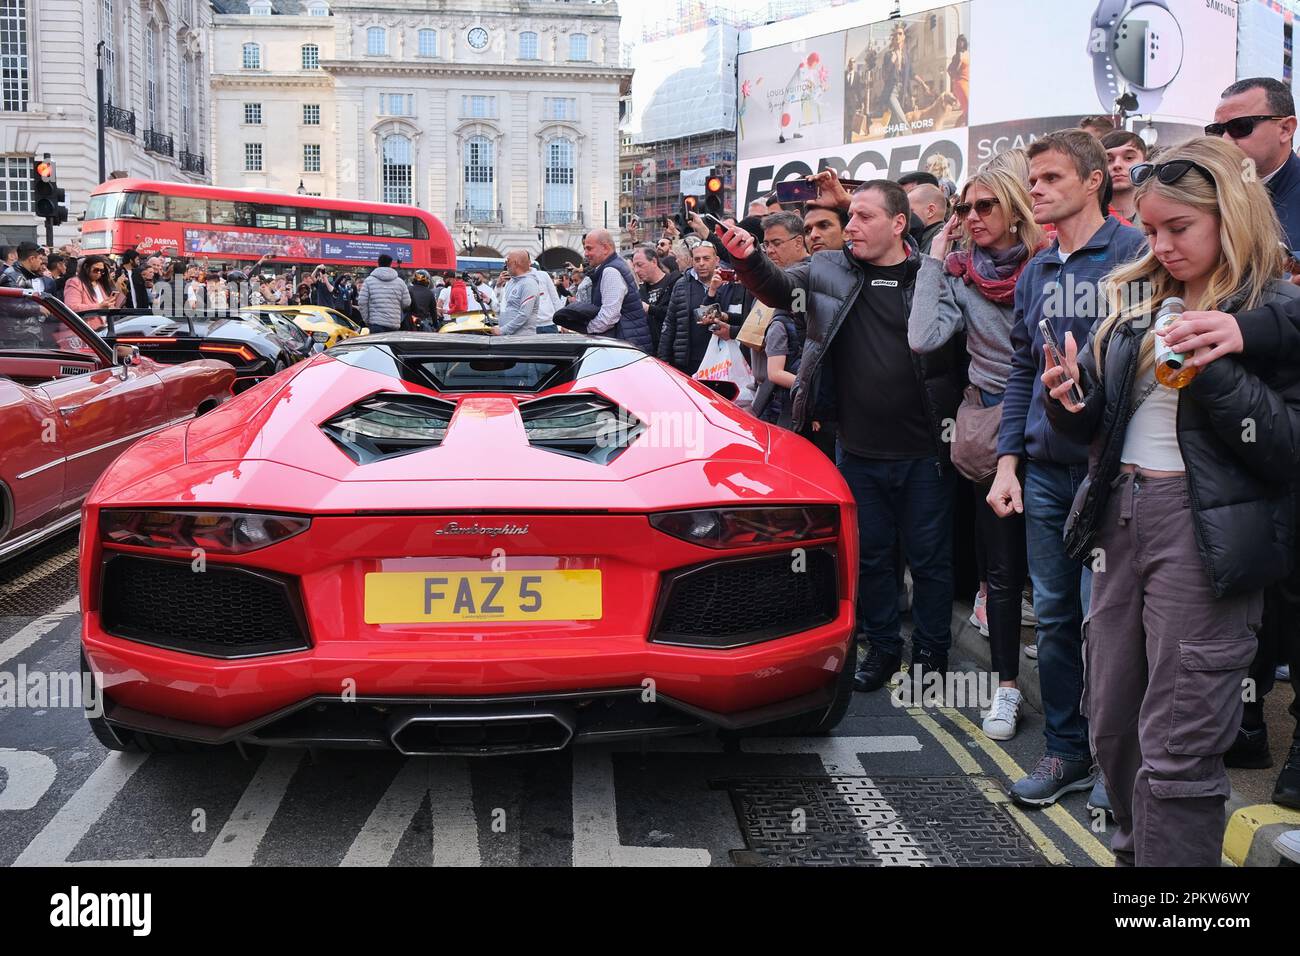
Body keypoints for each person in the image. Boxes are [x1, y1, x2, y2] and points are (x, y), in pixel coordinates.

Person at [1042, 136, 1300, 866]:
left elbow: (1283, 450)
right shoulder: (1138, 301)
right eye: (1150, 230)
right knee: (1113, 725)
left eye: (1177, 228)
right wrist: (1071, 406)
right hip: (1120, 518)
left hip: (1203, 531)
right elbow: (1104, 431)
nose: (1160, 244)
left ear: (1231, 214)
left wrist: (1212, 368)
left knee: (1180, 741)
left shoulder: (1274, 310)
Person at [719, 178, 965, 696]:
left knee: (930, 562)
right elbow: (780, 289)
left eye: (865, 217)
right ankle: (880, 647)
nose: (851, 226)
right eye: (849, 216)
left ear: (899, 224)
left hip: (926, 452)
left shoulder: (933, 274)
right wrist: (747, 259)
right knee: (872, 558)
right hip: (857, 450)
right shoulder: (830, 270)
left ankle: (931, 654)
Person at [989, 128, 1146, 808]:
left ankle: (1119, 765)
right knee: (1053, 617)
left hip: (1110, 474)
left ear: (1093, 182)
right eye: (1033, 179)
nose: (1037, 189)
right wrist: (1006, 463)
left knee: (1108, 623)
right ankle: (1065, 752)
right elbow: (1022, 368)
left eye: (1051, 177)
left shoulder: (1137, 255)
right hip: (1046, 476)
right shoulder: (1035, 269)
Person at [911, 167, 1049, 740]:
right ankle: (1006, 690)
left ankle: (1084, 700)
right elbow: (922, 337)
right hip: (992, 427)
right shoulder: (962, 275)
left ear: (1016, 208)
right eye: (965, 208)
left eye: (986, 205)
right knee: (1002, 566)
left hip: (1058, 422)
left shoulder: (1050, 267)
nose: (972, 217)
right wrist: (932, 260)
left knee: (1060, 567)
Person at [1209, 77, 1300, 247]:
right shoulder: (1205, 193)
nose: (1225, 140)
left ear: (1286, 129)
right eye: (1216, 131)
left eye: (1240, 126)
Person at [747, 211, 809, 428]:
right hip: (777, 391)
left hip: (795, 396)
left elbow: (799, 323)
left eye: (776, 243)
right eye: (766, 244)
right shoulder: (780, 278)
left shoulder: (807, 277)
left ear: (798, 241)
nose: (770, 250)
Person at [658, 241, 739, 373]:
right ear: (692, 261)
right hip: (689, 360)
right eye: (697, 259)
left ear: (716, 260)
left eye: (706, 258)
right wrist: (663, 358)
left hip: (724, 358)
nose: (701, 263)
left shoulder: (730, 284)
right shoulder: (682, 284)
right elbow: (670, 322)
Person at [580, 229, 653, 350]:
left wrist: (585, 330)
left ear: (605, 248)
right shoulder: (614, 265)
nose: (586, 254)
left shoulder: (611, 271)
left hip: (625, 346)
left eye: (589, 248)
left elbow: (609, 317)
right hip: (628, 342)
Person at [631, 244, 680, 356]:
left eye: (640, 265)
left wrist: (650, 309)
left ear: (654, 261)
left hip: (671, 350)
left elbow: (676, 314)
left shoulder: (675, 283)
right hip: (649, 351)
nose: (637, 270)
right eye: (634, 266)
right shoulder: (641, 291)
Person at [1102, 130, 1148, 228]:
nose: (1117, 165)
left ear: (1145, 165)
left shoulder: (1160, 214)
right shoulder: (1087, 221)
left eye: (1128, 158)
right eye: (1109, 160)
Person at [495, 250, 545, 336]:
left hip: (521, 341)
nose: (505, 264)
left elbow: (524, 315)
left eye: (508, 261)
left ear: (515, 263)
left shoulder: (529, 284)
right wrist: (489, 300)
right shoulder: (511, 282)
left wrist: (502, 330)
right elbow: (503, 306)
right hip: (508, 338)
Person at [357, 254, 410, 332]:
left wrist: (367, 319)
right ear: (391, 264)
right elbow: (407, 302)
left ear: (378, 264)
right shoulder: (400, 282)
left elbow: (362, 302)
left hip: (375, 324)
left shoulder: (369, 281)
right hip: (394, 324)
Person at [881, 22, 913, 137]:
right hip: (891, 93)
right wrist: (892, 62)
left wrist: (922, 86)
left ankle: (886, 143)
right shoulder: (888, 55)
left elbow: (910, 76)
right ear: (893, 39)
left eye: (900, 34)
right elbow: (884, 76)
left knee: (893, 127)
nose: (897, 36)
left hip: (901, 93)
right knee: (902, 120)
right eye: (895, 35)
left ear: (903, 36)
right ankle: (911, 141)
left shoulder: (906, 55)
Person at [908, 183, 948, 252]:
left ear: (930, 211)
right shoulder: (918, 237)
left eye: (910, 211)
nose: (906, 216)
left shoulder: (945, 243)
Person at [947, 34, 970, 127]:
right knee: (968, 109)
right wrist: (954, 77)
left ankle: (955, 129)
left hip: (967, 83)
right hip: (961, 84)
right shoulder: (957, 55)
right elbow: (949, 70)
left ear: (965, 42)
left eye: (962, 41)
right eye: (959, 41)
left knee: (966, 111)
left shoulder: (968, 53)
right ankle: (968, 129)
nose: (961, 43)